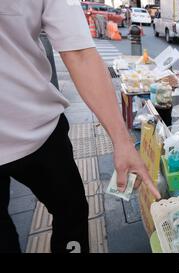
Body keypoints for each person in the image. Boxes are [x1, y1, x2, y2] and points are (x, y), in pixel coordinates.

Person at [0, 0, 160, 253]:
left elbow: (81, 54)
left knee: (68, 211)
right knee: (66, 212)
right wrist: (122, 140)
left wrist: (122, 141)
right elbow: (80, 54)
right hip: (36, 126)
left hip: (38, 128)